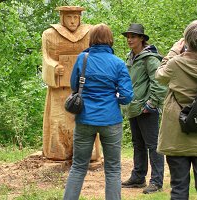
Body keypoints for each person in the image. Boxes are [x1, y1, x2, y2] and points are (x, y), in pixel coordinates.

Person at [63, 23, 133, 200]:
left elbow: (73, 86)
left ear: (92, 39)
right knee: (113, 169)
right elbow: (126, 96)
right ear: (110, 40)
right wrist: (113, 98)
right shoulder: (118, 63)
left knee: (78, 166)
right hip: (111, 120)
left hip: (85, 118)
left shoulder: (82, 59)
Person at [155, 20, 197, 200]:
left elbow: (159, 75)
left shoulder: (175, 64)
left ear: (187, 41)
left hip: (177, 135)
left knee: (179, 188)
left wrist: (174, 51)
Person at [42, 6, 101, 161]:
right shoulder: (49, 34)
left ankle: (87, 153)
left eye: (75, 17)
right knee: (58, 119)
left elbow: (96, 56)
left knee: (84, 119)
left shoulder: (89, 33)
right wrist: (54, 67)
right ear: (62, 18)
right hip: (59, 88)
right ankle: (59, 151)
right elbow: (46, 57)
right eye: (69, 17)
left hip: (83, 88)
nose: (73, 21)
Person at [121, 23, 167, 194]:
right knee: (138, 144)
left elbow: (160, 83)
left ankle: (156, 181)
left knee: (153, 145)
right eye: (128, 36)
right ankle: (138, 177)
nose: (129, 39)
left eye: (133, 36)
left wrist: (151, 104)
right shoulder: (130, 57)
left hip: (147, 109)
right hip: (133, 107)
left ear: (141, 38)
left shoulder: (150, 58)